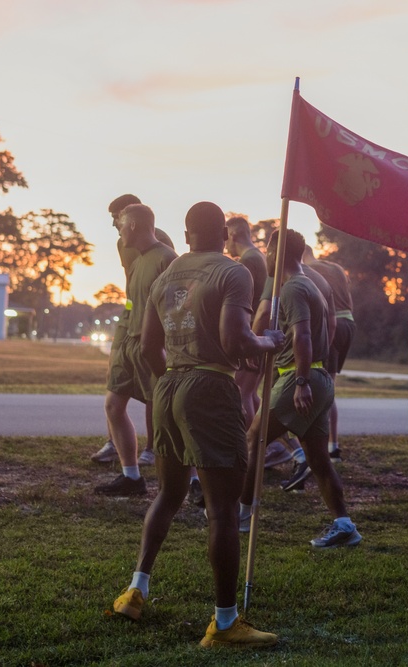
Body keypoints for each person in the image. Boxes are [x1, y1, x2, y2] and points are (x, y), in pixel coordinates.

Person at [111, 200, 283, 648]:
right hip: (209, 388)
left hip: (168, 386)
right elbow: (235, 339)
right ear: (222, 232)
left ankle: (136, 589)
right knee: (222, 510)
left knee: (168, 493)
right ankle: (225, 623)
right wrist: (268, 341)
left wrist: (173, 375)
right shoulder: (233, 272)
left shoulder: (167, 275)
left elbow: (150, 345)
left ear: (186, 235)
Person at [240, 229, 358, 548]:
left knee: (254, 438)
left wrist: (302, 382)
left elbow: (302, 335)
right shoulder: (311, 284)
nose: (265, 255)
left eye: (268, 249)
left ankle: (241, 514)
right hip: (318, 379)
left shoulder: (293, 287)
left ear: (278, 253)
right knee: (318, 458)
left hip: (300, 379)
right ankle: (344, 524)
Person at [95, 202, 177, 496]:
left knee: (169, 415)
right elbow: (134, 299)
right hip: (129, 340)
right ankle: (131, 477)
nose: (116, 227)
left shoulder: (167, 258)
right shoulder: (137, 257)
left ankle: (192, 481)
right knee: (113, 405)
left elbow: (176, 309)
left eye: (120, 223)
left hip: (152, 345)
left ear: (132, 225)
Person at [303, 245, 355, 463]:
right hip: (349, 323)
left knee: (324, 388)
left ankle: (327, 448)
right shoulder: (335, 267)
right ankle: (333, 446)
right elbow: (349, 301)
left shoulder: (307, 270)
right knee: (329, 385)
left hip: (331, 324)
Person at [224, 216, 268, 429]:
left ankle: (250, 447)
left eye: (226, 236)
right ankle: (279, 447)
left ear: (232, 234)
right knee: (251, 394)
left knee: (243, 393)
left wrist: (249, 341)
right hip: (258, 333)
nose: (225, 243)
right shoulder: (257, 256)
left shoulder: (248, 261)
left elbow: (249, 303)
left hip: (253, 333)